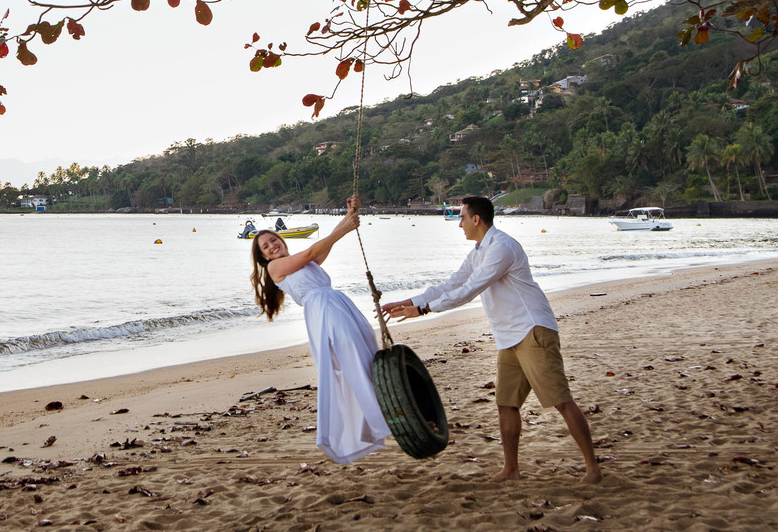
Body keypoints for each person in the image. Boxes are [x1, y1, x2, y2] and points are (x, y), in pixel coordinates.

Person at [382, 196, 602, 484]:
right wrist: (409, 301)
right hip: (507, 336)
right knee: (506, 404)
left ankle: (592, 468)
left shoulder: (501, 247)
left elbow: (470, 289)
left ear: (476, 219)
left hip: (532, 329)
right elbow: (452, 284)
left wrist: (423, 310)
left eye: (462, 217)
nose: (459, 224)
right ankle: (511, 470)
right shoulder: (479, 252)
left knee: (560, 400)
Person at [250, 196, 391, 463]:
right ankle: (376, 421)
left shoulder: (303, 263)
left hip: (337, 305)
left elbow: (322, 248)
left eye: (273, 240)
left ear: (281, 240)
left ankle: (380, 413)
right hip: (324, 311)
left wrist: (348, 215)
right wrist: (345, 228)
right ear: (263, 256)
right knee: (349, 357)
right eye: (265, 246)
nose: (272, 245)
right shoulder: (275, 267)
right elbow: (312, 252)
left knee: (364, 352)